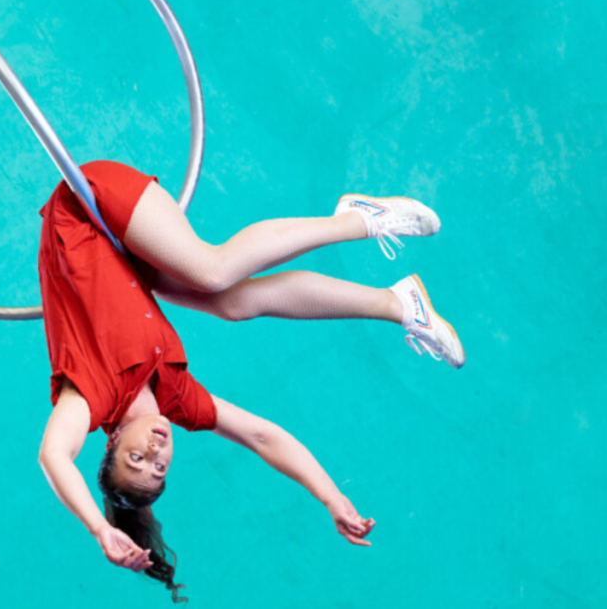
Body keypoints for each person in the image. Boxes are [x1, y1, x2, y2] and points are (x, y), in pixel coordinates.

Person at [36, 160, 464, 602]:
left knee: (212, 271)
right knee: (234, 303)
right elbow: (262, 437)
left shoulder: (92, 394)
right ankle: (397, 303)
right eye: (159, 467)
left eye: (135, 459)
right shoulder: (178, 400)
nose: (154, 453)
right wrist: (331, 497)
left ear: (112, 443)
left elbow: (53, 455)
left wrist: (99, 529)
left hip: (84, 215)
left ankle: (360, 219)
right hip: (126, 258)